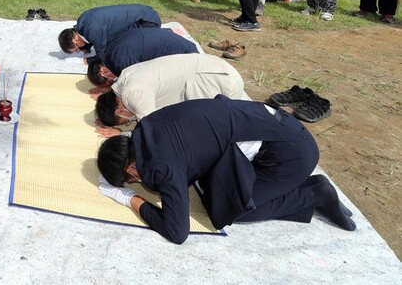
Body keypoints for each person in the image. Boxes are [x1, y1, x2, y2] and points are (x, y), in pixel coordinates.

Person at [96, 96, 356, 244]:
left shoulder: (163, 166)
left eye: (131, 180)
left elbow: (177, 232)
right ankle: (303, 188)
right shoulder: (146, 126)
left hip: (292, 154)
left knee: (234, 209)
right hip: (273, 126)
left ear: (132, 167)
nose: (137, 181)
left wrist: (130, 198)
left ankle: (315, 194)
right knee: (212, 190)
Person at [95, 54, 247, 135]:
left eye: (125, 121)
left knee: (193, 132)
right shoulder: (125, 77)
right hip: (216, 64)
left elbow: (153, 131)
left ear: (119, 110)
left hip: (225, 84)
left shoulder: (133, 94)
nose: (130, 120)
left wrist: (122, 134)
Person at [89, 28, 199, 89]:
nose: (114, 81)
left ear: (103, 72)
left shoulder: (120, 60)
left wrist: (113, 92)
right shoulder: (107, 51)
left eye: (111, 81)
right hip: (173, 43)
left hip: (188, 56)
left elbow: (137, 83)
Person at [58, 4, 161, 55]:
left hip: (148, 23)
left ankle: (165, 35)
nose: (79, 50)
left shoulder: (91, 31)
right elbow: (93, 36)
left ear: (75, 40)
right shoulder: (82, 20)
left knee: (122, 47)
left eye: (77, 49)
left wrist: (89, 61)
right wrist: (86, 46)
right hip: (145, 12)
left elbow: (103, 53)